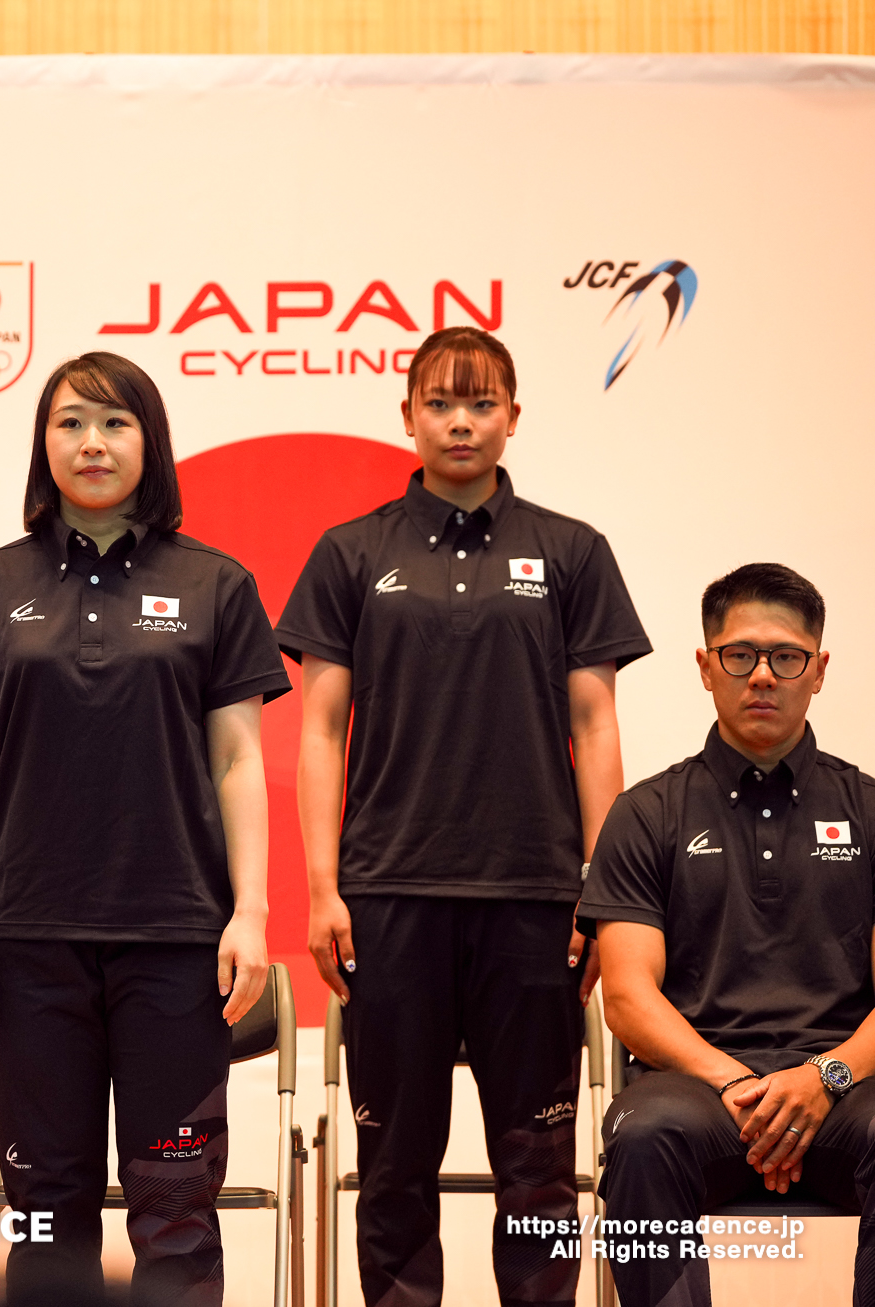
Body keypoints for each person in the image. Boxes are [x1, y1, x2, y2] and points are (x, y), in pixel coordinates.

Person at [277, 326, 650, 1307]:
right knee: (393, 1165)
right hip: (387, 893)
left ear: (513, 418)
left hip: (533, 897)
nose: (459, 421)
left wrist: (601, 887)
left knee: (536, 1165)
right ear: (405, 417)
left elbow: (594, 719)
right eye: (440, 402)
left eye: (480, 403)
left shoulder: (569, 551)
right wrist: (321, 886)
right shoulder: (352, 552)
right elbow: (318, 730)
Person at [0, 351, 291, 1304]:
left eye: (116, 422)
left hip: (177, 940)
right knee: (46, 1216)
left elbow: (240, 759)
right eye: (70, 423)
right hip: (29, 942)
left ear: (151, 442)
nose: (92, 443)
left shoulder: (216, 583)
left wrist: (251, 909)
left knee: (176, 1213)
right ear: (42, 445)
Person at [581, 563, 875, 1306]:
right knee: (644, 1140)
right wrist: (737, 1083)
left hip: (842, 1088)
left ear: (820, 669)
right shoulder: (648, 813)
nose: (764, 676)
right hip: (698, 1090)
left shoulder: (869, 809)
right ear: (706, 668)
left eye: (787, 656)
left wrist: (823, 1078)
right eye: (740, 656)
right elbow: (626, 997)